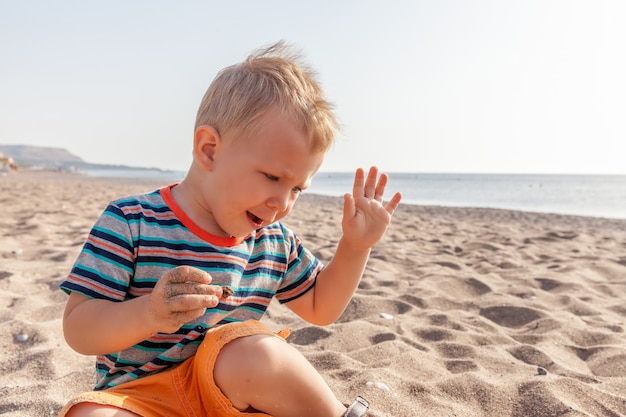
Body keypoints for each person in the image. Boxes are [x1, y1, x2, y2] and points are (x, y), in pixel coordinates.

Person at [59, 41, 402, 417]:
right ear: (209, 149)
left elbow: (321, 307)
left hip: (232, 397)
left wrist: (355, 247)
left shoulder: (273, 242)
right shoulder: (131, 220)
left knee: (254, 350)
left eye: (297, 189)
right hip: (139, 399)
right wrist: (149, 314)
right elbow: (79, 329)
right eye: (272, 176)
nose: (282, 202)